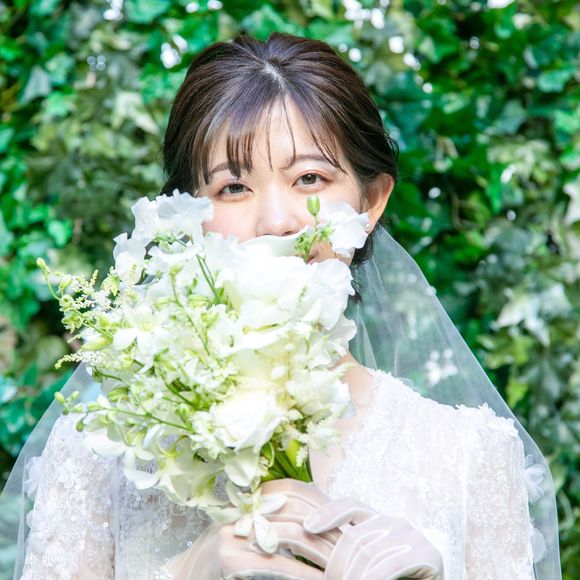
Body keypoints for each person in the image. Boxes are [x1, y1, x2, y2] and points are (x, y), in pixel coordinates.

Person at [0, 32, 561, 579]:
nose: (276, 221)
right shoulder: (102, 454)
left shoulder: (470, 459)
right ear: (187, 217)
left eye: (309, 178)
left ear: (370, 202)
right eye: (233, 188)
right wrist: (188, 572)